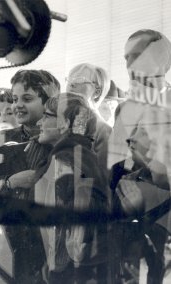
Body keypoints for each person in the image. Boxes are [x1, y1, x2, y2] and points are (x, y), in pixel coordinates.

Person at [109, 29, 171, 284]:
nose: (129, 64)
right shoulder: (124, 108)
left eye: (137, 55)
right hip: (129, 217)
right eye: (126, 58)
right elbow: (114, 163)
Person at [0, 69, 60, 284]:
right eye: (15, 98)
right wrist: (10, 183)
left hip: (48, 242)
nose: (17, 105)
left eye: (27, 99)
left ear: (49, 102)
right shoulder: (0, 139)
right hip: (5, 241)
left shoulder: (62, 142)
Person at [34, 93, 110, 283]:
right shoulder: (83, 156)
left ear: (66, 123)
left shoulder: (65, 160)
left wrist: (56, 265)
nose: (39, 122)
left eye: (46, 115)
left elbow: (75, 224)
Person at [66, 63, 112, 178]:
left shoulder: (103, 130)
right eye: (69, 79)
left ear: (96, 92)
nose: (71, 84)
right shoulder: (61, 123)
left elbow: (103, 178)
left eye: (80, 80)